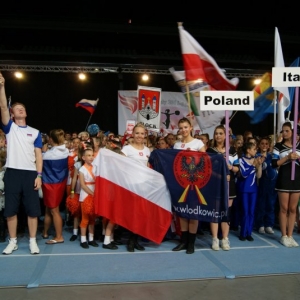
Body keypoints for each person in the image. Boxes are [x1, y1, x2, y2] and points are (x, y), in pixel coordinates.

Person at [0, 72, 42, 255]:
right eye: (17, 108)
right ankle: (13, 241)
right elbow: (2, 106)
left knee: (33, 210)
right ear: (12, 113)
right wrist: (1, 86)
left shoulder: (35, 132)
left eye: (22, 108)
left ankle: (33, 241)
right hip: (13, 173)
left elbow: (39, 156)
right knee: (10, 209)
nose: (20, 109)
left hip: (30, 173)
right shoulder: (10, 128)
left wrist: (39, 175)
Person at [172, 117, 206, 254]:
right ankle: (183, 241)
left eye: (186, 127)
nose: (183, 130)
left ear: (191, 127)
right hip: (181, 183)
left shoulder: (198, 143)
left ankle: (191, 243)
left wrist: (195, 155)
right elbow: (174, 164)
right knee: (182, 213)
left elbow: (206, 163)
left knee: (193, 213)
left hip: (195, 184)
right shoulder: (176, 145)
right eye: (181, 128)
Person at [206, 125, 239, 251]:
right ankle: (215, 238)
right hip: (215, 184)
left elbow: (238, 169)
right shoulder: (210, 151)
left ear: (225, 135)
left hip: (229, 185)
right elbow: (207, 169)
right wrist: (219, 174)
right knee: (215, 212)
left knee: (226, 212)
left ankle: (225, 238)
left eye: (221, 133)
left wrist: (230, 168)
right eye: (216, 133)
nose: (218, 136)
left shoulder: (232, 151)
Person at [121, 122, 151, 252]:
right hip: (131, 186)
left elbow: (148, 167)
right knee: (132, 213)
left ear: (145, 135)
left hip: (143, 186)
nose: (139, 135)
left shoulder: (147, 150)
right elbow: (120, 166)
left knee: (141, 213)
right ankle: (130, 241)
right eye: (137, 133)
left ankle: (136, 239)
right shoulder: (126, 149)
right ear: (132, 134)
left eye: (142, 133)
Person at [272, 121, 300, 247]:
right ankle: (283, 235)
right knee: (284, 208)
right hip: (284, 179)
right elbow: (274, 163)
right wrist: (287, 157)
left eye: (287, 130)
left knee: (293, 208)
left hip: (297, 180)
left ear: (293, 132)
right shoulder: (278, 146)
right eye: (283, 130)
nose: (284, 133)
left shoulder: (299, 145)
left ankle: (290, 235)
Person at [41, 129, 69, 244]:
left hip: (51, 184)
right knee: (49, 209)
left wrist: (42, 151)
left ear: (51, 139)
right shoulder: (66, 151)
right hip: (59, 183)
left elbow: (39, 159)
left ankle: (59, 236)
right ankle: (45, 232)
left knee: (54, 210)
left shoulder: (49, 154)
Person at [237, 142, 263, 241]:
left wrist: (259, 165)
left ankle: (249, 233)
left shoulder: (256, 160)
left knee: (251, 212)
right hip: (244, 189)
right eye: (254, 149)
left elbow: (259, 176)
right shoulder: (241, 160)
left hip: (253, 190)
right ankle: (243, 233)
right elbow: (243, 174)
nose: (256, 151)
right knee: (245, 211)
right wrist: (253, 165)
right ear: (248, 150)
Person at [255, 137, 278, 234]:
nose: (264, 145)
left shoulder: (272, 156)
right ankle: (260, 224)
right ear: (259, 145)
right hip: (262, 184)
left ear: (269, 146)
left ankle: (269, 224)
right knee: (261, 204)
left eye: (266, 144)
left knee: (271, 204)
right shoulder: (257, 156)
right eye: (262, 143)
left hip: (272, 184)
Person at [78, 147, 99, 249]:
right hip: (86, 195)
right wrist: (92, 194)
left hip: (95, 194)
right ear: (83, 157)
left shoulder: (96, 168)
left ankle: (91, 239)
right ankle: (83, 239)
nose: (91, 157)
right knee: (85, 219)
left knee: (92, 219)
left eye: (92, 155)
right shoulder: (82, 169)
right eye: (88, 155)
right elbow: (82, 185)